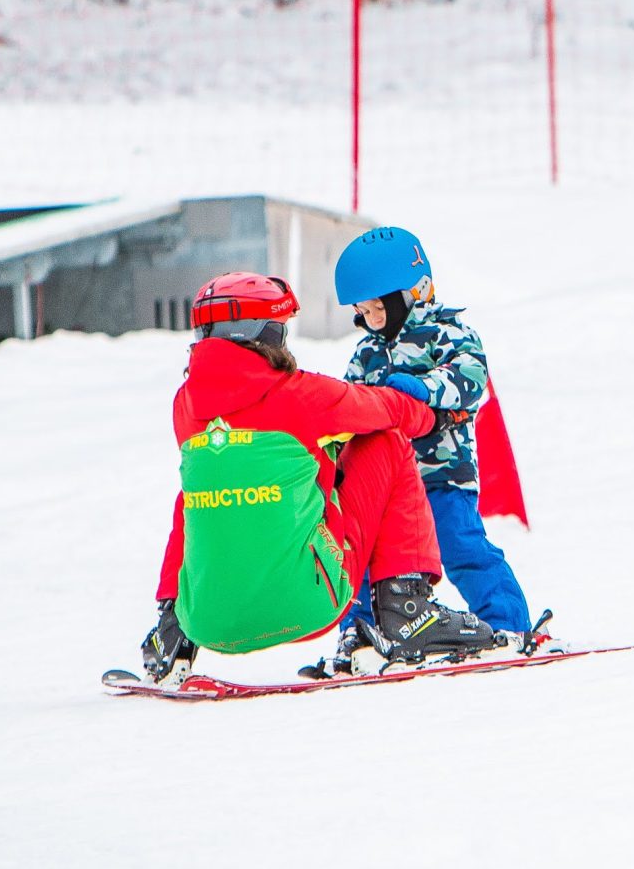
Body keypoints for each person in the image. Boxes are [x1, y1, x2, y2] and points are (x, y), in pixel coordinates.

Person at [140, 271, 500, 682]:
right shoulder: (304, 397)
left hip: (204, 620)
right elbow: (389, 411)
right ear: (269, 334)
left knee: (196, 492)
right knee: (387, 439)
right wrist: (436, 414)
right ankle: (407, 612)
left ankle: (170, 632)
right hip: (307, 603)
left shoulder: (186, 409)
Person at [332, 226, 535, 635]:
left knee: (461, 548)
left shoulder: (447, 332)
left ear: (412, 294)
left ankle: (509, 626)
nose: (371, 321)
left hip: (441, 474)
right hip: (384, 483)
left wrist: (424, 389)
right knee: (369, 558)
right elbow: (352, 402)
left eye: (378, 308)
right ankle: (362, 636)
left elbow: (471, 377)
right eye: (363, 312)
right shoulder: (366, 353)